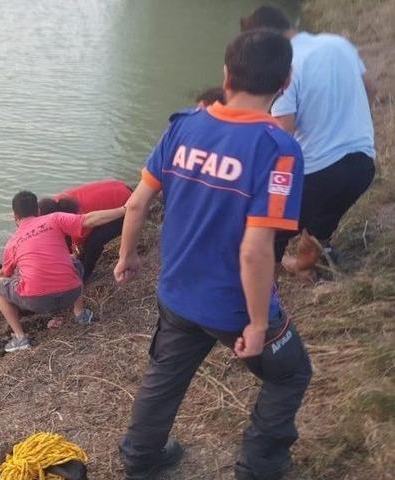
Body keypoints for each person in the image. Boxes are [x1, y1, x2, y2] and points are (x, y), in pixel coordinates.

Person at [113, 30, 313, 480]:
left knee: (164, 378)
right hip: (233, 306)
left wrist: (127, 256)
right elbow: (256, 248)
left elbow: (136, 203)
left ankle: (140, 459)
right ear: (284, 82)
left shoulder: (183, 125)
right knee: (290, 374)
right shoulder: (279, 150)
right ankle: (259, 468)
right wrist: (260, 325)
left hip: (178, 294)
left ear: (226, 74)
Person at [241, 6, 377, 275]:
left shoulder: (285, 66)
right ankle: (312, 250)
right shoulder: (337, 43)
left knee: (268, 226)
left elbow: (283, 138)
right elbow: (371, 90)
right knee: (322, 216)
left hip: (320, 175)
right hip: (364, 165)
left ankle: (272, 276)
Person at [0, 191, 126, 352]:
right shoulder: (54, 218)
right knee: (73, 260)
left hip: (36, 303)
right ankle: (80, 314)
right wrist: (124, 209)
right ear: (38, 211)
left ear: (15, 216)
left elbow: (5, 274)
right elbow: (90, 219)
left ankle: (20, 338)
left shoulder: (12, 243)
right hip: (71, 293)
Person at [38, 179, 132, 280]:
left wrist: (73, 256)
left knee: (93, 243)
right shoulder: (56, 202)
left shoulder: (77, 219)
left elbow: (78, 248)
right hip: (117, 187)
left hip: (128, 207)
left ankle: (84, 276)